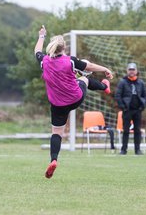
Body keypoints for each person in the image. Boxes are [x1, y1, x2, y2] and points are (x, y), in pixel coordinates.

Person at [34, 25, 113, 179]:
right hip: (75, 98)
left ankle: (54, 159)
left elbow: (37, 51)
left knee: (56, 133)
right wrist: (105, 69)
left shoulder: (44, 61)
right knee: (85, 78)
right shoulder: (70, 61)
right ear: (64, 48)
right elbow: (89, 66)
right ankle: (105, 87)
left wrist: (41, 36)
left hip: (57, 105)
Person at [115, 62, 146, 155]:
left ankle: (137, 150)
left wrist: (143, 106)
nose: (132, 72)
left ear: (136, 71)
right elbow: (118, 95)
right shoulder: (123, 82)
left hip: (137, 110)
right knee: (126, 130)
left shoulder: (140, 83)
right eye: (130, 70)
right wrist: (123, 107)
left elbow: (145, 96)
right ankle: (123, 150)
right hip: (127, 110)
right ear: (127, 71)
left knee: (137, 130)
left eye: (133, 70)